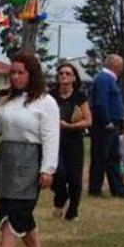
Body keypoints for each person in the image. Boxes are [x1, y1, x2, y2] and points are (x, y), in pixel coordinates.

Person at [0, 53, 59, 247]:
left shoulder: (45, 103)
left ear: (31, 74)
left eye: (20, 73)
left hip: (29, 158)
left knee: (18, 209)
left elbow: (50, 137)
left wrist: (48, 169)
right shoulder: (10, 99)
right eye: (13, 73)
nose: (15, 77)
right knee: (9, 207)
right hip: (7, 158)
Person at [50, 62, 91, 221]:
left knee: (75, 178)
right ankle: (60, 197)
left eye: (67, 74)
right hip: (55, 139)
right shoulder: (51, 96)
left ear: (74, 77)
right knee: (58, 173)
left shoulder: (80, 96)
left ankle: (72, 211)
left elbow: (88, 121)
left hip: (74, 140)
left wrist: (71, 125)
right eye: (61, 73)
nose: (64, 76)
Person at [88, 54, 124, 198]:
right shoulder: (103, 79)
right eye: (121, 65)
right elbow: (100, 102)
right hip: (104, 126)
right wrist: (107, 121)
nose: (122, 69)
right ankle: (95, 189)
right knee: (100, 157)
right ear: (115, 65)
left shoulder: (110, 80)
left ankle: (118, 189)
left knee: (113, 158)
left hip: (112, 125)